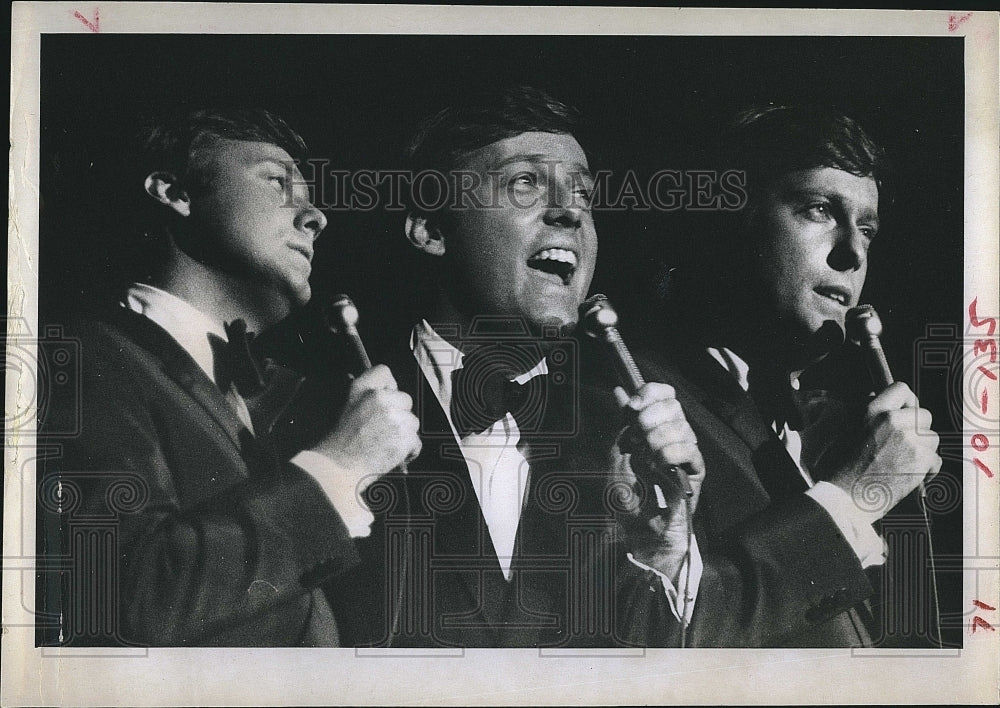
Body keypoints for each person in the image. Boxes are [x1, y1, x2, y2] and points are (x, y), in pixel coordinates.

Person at [326, 86, 705, 648]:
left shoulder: (628, 437)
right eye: (525, 182)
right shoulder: (321, 415)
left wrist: (663, 550)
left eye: (583, 192)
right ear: (431, 230)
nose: (569, 210)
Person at [36, 108, 421, 647]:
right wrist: (340, 466)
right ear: (175, 193)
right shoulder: (81, 356)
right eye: (276, 181)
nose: (316, 217)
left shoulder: (277, 399)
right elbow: (122, 594)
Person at [634, 105, 942, 647]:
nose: (852, 252)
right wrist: (857, 496)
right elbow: (669, 637)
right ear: (733, 224)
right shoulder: (641, 399)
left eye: (867, 229)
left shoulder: (833, 431)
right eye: (821, 210)